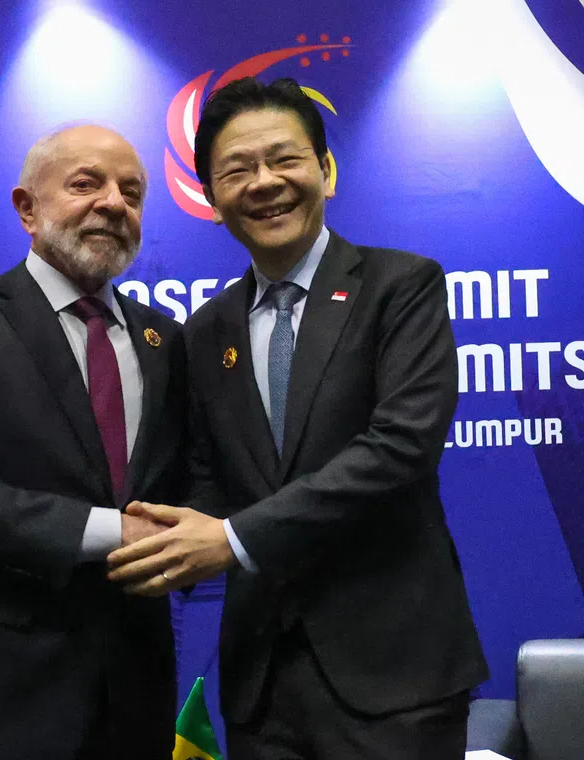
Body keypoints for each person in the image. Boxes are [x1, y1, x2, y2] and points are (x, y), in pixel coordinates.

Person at [107, 78, 488, 759]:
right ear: (211, 200)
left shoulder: (401, 287)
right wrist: (162, 535)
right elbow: (208, 478)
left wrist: (233, 539)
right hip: (263, 687)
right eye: (237, 170)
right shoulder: (205, 331)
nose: (264, 183)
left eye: (284, 159)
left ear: (326, 171)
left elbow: (400, 448)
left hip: (395, 675)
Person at [0, 125, 186, 760]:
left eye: (132, 193)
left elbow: (186, 483)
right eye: (86, 184)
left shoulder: (166, 341)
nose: (114, 203)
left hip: (133, 706)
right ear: (27, 208)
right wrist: (119, 532)